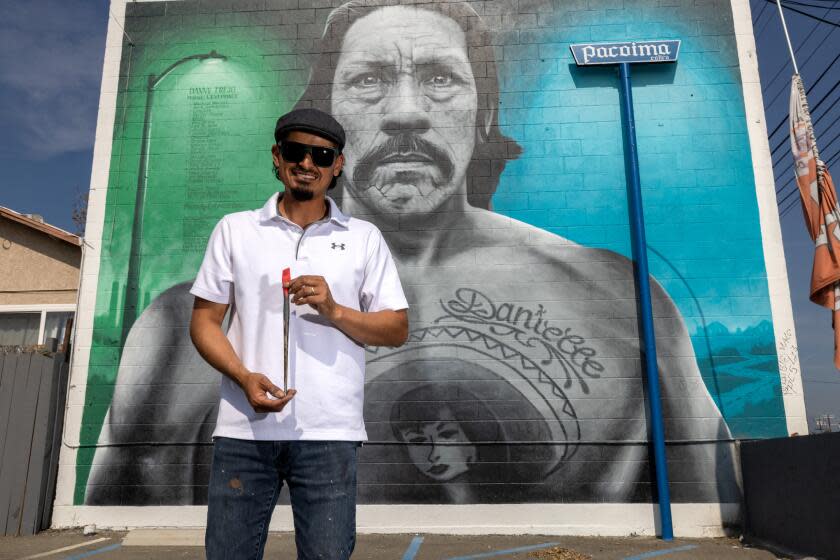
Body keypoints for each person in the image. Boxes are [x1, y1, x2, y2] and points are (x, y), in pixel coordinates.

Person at [294, 0, 740, 504]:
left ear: (483, 112)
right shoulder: (235, 298)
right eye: (368, 81)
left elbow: (713, 512)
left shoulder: (618, 297)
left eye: (440, 79)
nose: (405, 113)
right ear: (328, 121)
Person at [190, 108, 408, 558]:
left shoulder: (364, 237)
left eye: (321, 154)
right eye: (295, 151)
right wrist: (243, 375)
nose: (307, 163)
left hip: (329, 432)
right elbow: (204, 322)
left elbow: (395, 328)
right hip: (244, 432)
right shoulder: (236, 230)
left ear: (337, 166)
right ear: (277, 156)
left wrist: (333, 309)